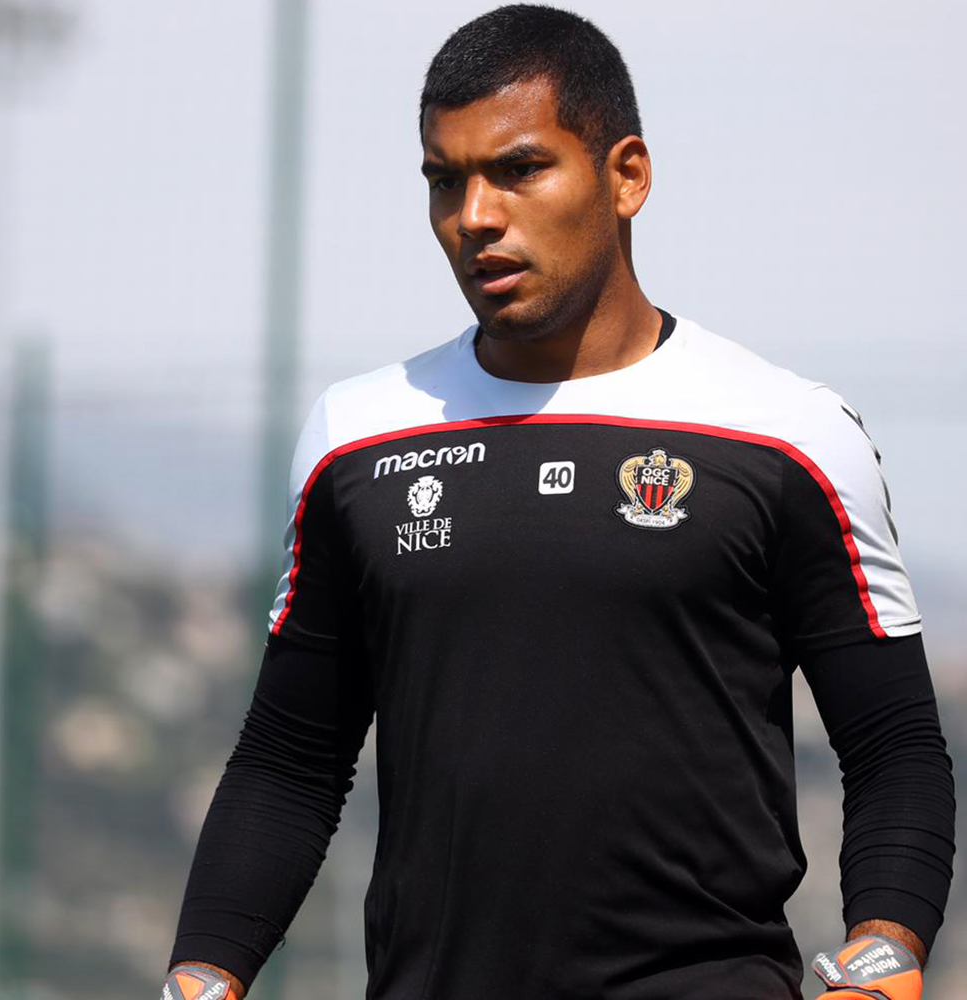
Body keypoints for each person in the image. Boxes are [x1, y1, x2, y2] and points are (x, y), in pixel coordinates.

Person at [160, 6, 955, 999]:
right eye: (444, 180)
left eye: (518, 169)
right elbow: (290, 761)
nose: (474, 215)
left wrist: (885, 951)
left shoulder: (788, 433)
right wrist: (202, 975)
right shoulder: (356, 436)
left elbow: (892, 748)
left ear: (627, 176)